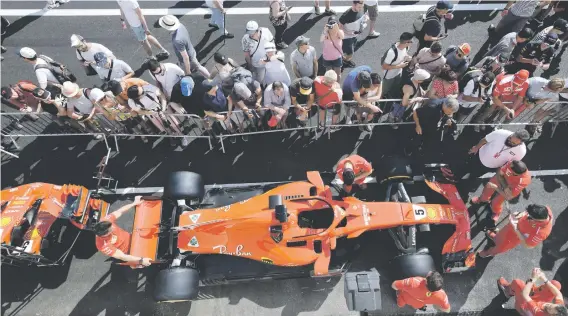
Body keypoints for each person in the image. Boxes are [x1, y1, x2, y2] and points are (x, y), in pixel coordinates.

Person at [442, 129, 530, 182]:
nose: (509, 142)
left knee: (475, 173)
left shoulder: (521, 151)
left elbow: (511, 163)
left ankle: (465, 179)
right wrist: (476, 147)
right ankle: (454, 175)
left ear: (520, 143)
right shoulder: (500, 133)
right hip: (479, 155)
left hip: (490, 166)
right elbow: (485, 140)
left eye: (513, 143)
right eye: (510, 138)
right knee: (466, 165)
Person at [94, 196, 152, 266]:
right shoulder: (102, 245)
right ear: (105, 234)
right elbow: (122, 256)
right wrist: (141, 260)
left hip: (134, 238)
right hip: (131, 251)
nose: (113, 226)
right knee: (148, 259)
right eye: (110, 229)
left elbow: (119, 211)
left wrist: (134, 203)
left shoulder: (106, 221)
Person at [479, 204, 553, 258]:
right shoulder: (544, 210)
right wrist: (520, 214)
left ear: (537, 221)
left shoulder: (541, 233)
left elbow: (528, 245)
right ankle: (495, 238)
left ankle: (489, 253)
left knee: (500, 247)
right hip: (511, 227)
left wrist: (516, 229)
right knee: (500, 236)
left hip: (513, 238)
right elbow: (526, 213)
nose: (527, 216)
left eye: (530, 217)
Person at [497, 268, 566, 316]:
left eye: (550, 308)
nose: (549, 305)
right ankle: (533, 290)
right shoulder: (560, 309)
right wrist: (544, 279)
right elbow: (558, 294)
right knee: (556, 285)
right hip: (538, 302)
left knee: (518, 283)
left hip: (525, 307)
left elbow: (525, 295)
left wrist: (533, 278)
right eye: (552, 304)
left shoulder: (540, 313)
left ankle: (508, 291)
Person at [381, 32, 413, 98]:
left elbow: (403, 54)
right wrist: (399, 66)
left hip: (398, 73)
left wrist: (407, 57)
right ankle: (380, 99)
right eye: (411, 41)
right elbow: (384, 66)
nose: (412, 43)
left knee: (394, 86)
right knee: (384, 90)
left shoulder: (406, 47)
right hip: (389, 76)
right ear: (407, 42)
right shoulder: (392, 53)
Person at [339, 1, 369, 68]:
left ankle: (343, 57)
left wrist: (365, 18)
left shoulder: (362, 9)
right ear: (354, 5)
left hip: (355, 35)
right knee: (350, 53)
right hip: (347, 37)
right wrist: (348, 33)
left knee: (350, 48)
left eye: (362, 7)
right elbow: (339, 27)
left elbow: (364, 15)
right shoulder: (346, 15)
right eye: (359, 7)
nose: (361, 9)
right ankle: (345, 60)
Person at [321, 16, 344, 81]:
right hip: (327, 57)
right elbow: (321, 39)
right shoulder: (325, 33)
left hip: (337, 57)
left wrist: (337, 29)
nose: (332, 27)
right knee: (328, 75)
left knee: (338, 74)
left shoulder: (340, 32)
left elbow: (342, 37)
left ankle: (337, 85)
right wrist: (325, 30)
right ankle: (329, 86)